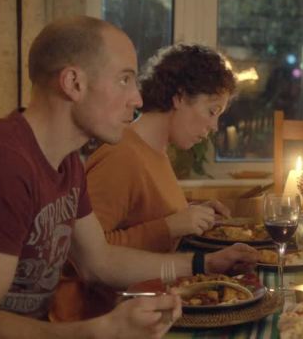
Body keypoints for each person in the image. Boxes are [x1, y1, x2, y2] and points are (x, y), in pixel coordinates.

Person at [0, 16, 258, 339]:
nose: (138, 98)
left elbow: (101, 261)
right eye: (124, 79)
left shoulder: (66, 163)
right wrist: (98, 332)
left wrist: (203, 263)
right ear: (74, 83)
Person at [52, 43, 237, 320]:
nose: (214, 127)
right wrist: (170, 226)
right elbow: (83, 257)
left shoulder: (156, 150)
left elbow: (142, 212)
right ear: (180, 97)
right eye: (212, 111)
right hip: (100, 317)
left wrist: (191, 212)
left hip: (146, 301)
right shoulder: (122, 155)